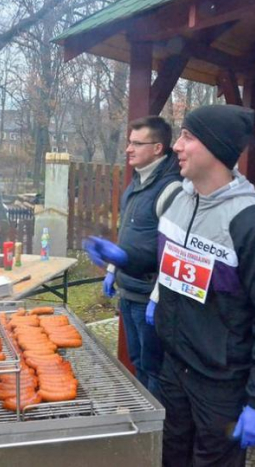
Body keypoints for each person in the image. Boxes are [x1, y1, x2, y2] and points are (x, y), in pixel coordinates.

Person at [145, 105, 255, 466]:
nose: (176, 145)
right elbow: (167, 264)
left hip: (221, 384)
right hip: (175, 369)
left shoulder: (253, 226)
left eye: (188, 137)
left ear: (215, 148)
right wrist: (126, 262)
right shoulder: (179, 199)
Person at [82, 116, 181, 401]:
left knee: (155, 369)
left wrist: (158, 296)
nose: (128, 149)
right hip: (129, 290)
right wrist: (114, 267)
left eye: (137, 143)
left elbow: (174, 250)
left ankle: (160, 434)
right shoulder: (136, 184)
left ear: (158, 148)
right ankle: (144, 423)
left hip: (151, 296)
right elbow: (129, 235)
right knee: (138, 361)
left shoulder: (170, 189)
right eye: (129, 142)